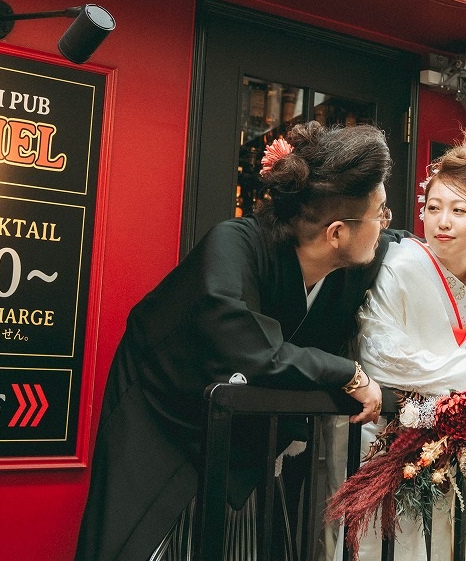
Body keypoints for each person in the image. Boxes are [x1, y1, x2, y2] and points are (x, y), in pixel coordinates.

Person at [76, 121, 396, 561]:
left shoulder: (349, 264)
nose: (385, 225)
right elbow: (249, 348)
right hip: (162, 429)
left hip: (243, 448)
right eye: (380, 213)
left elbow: (408, 247)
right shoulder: (234, 244)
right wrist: (348, 373)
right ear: (336, 233)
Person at [351, 134, 466, 560]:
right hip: (395, 434)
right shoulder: (400, 263)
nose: (441, 221)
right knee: (393, 544)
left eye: (459, 210)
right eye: (433, 207)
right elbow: (378, 351)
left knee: (465, 540)